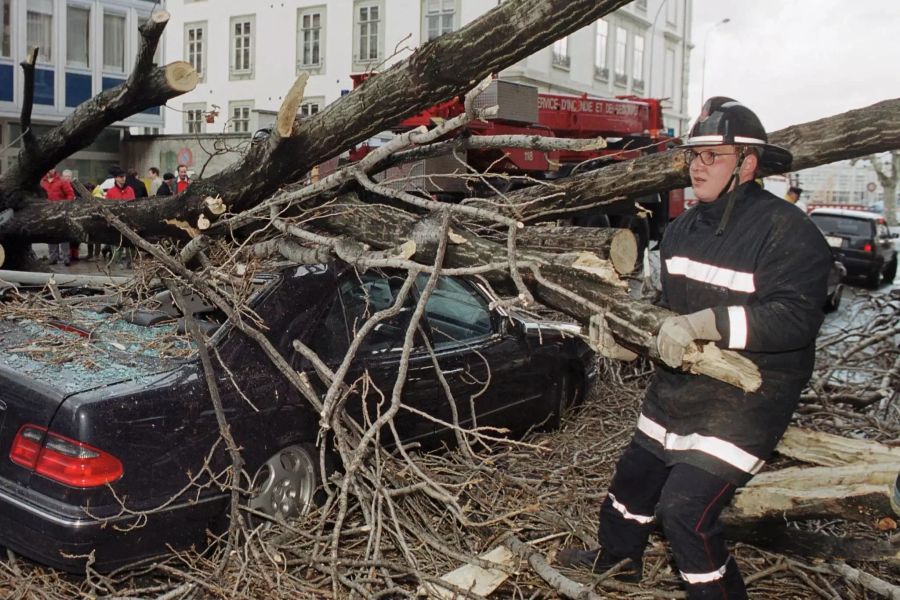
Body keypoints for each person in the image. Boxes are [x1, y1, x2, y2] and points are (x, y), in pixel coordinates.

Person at [558, 97, 832, 599]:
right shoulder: (682, 231)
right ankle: (618, 562)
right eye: (694, 155)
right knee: (633, 483)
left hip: (749, 396)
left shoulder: (788, 231)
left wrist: (709, 323)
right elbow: (667, 312)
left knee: (685, 510)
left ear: (748, 163)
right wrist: (629, 341)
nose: (698, 166)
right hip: (680, 386)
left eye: (714, 156)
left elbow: (795, 319)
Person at [40, 168, 75, 265]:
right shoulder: (42, 182)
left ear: (54, 169)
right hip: (48, 213)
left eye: (50, 168)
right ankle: (53, 257)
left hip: (61, 212)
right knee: (51, 235)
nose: (48, 171)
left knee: (63, 235)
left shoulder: (62, 181)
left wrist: (65, 207)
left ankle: (66, 257)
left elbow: (70, 194)